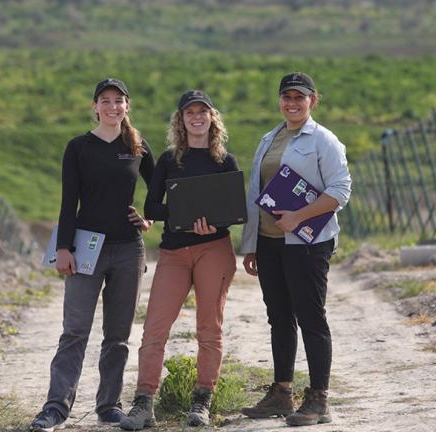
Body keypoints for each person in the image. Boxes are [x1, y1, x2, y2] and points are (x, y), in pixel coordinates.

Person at [30, 78, 155, 432]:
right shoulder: (79, 147)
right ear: (95, 106)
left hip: (129, 249)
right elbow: (69, 201)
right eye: (106, 100)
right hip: (87, 249)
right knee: (75, 331)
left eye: (119, 101)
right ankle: (54, 408)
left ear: (127, 106)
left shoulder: (137, 145)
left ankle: (109, 406)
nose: (113, 106)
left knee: (117, 335)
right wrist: (63, 249)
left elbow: (161, 186)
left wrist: (148, 218)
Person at [119, 90, 238, 430]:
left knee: (208, 329)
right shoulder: (171, 160)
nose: (196, 117)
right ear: (181, 120)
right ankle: (144, 403)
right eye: (190, 113)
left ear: (212, 118)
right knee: (155, 327)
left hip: (213, 249)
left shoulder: (224, 162)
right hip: (173, 251)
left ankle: (202, 401)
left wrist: (212, 222)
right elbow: (152, 208)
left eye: (203, 112)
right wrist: (183, 216)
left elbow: (232, 212)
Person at [239, 72, 351, 427]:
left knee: (311, 317)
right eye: (286, 96)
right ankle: (281, 393)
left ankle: (319, 399)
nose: (292, 102)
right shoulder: (269, 138)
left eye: (299, 97)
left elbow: (340, 191)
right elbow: (257, 193)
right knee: (279, 318)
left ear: (312, 100)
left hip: (307, 243)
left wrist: (299, 216)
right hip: (271, 243)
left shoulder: (324, 141)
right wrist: (253, 243)